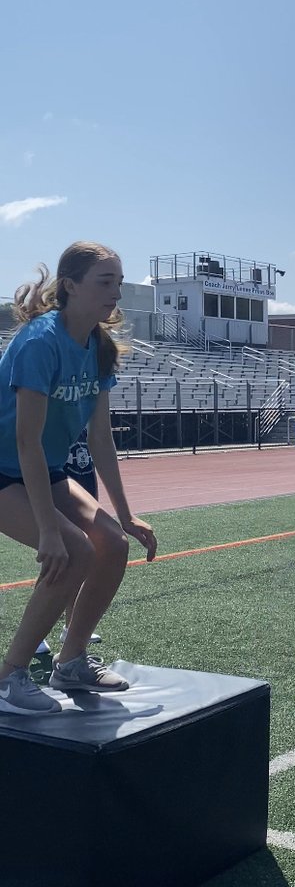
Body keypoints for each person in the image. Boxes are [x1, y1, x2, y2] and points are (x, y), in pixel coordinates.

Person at [0, 242, 157, 716]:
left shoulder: (99, 347)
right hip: (5, 469)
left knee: (113, 543)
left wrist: (126, 514)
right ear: (69, 286)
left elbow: (101, 439)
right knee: (71, 553)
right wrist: (49, 531)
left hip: (42, 471)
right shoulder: (40, 342)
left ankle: (71, 662)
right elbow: (26, 441)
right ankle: (10, 679)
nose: (116, 292)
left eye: (118, 281)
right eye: (104, 282)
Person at [33, 429, 102, 658]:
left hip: (83, 483)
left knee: (81, 564)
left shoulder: (80, 422)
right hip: (59, 486)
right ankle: (36, 632)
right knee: (56, 561)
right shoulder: (51, 423)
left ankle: (71, 627)